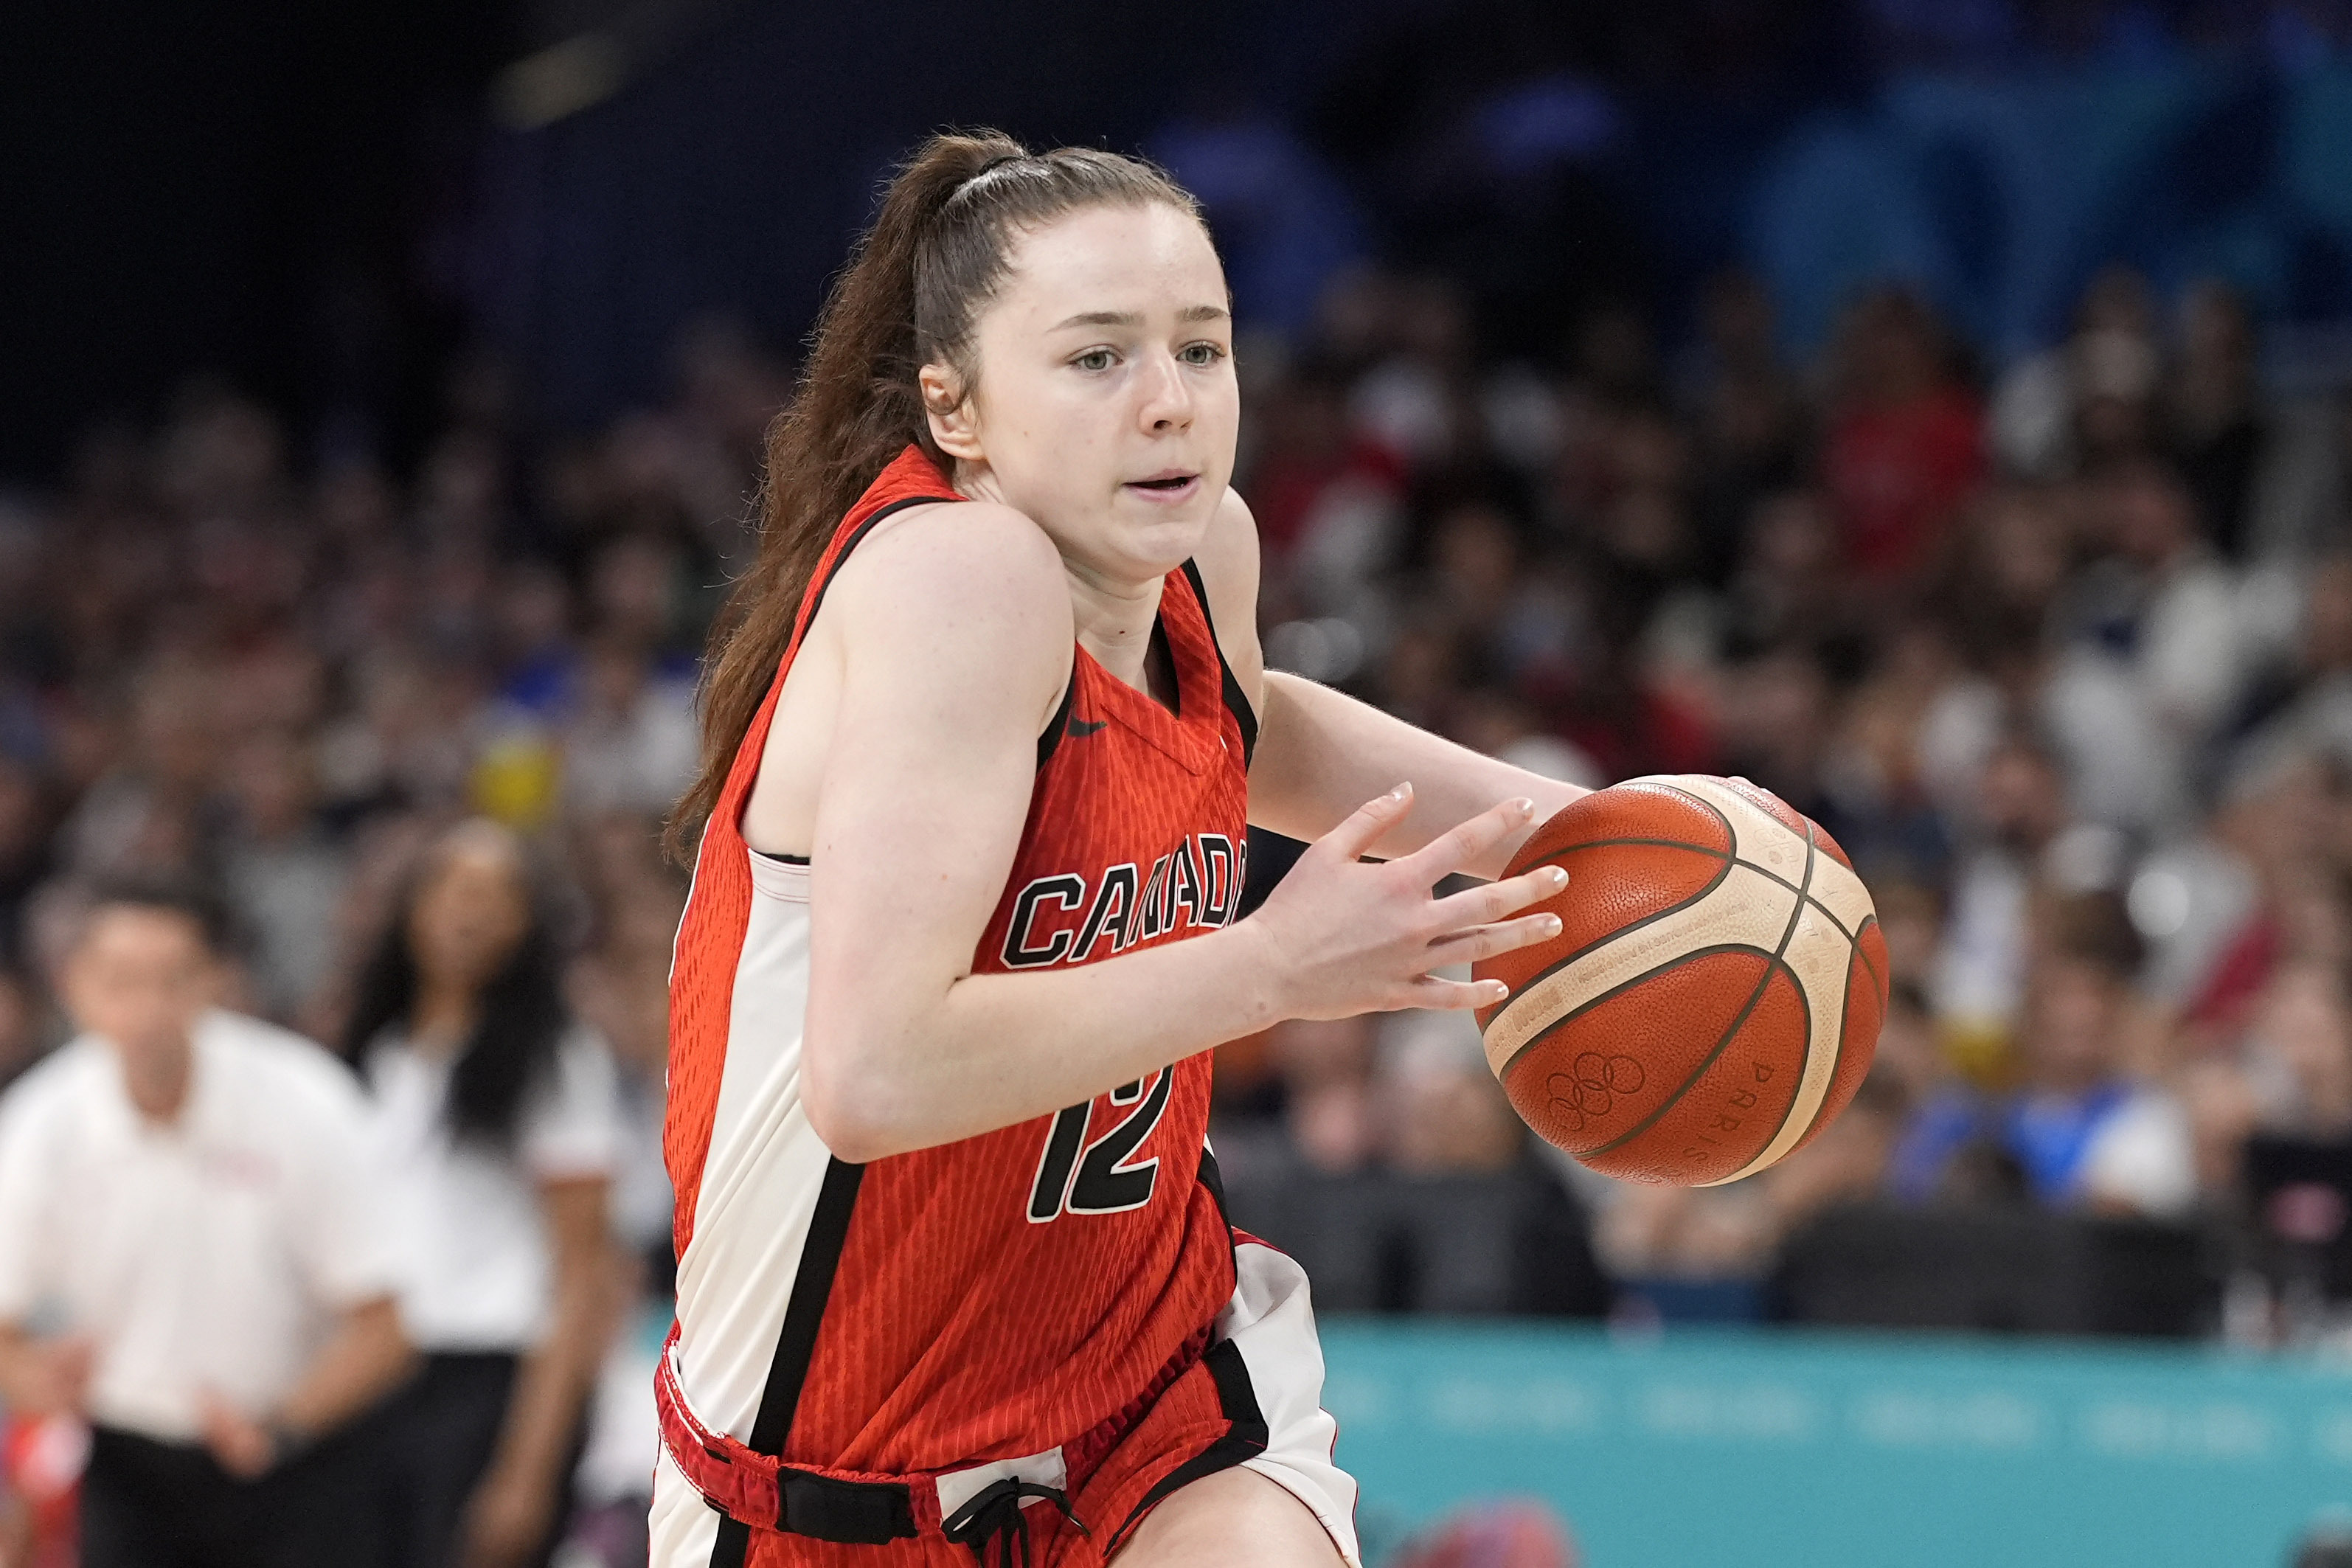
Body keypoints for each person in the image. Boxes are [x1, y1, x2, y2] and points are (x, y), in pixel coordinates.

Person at [653, 132, 1583, 1568]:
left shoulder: (1200, 548)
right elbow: (875, 1070)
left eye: (1200, 350)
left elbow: (1237, 724)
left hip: (1146, 1391)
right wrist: (1269, 965)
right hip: (833, 1483)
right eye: (1096, 359)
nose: (1169, 404)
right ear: (955, 408)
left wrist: (1571, 825)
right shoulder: (956, 580)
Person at [0, 878, 412, 1568]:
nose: (148, 1009)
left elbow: (385, 1328)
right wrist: (35, 1378)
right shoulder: (41, 1124)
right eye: (122, 981)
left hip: (294, 1454)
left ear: (215, 982)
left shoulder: (308, 1102)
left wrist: (279, 1431)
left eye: (173, 980)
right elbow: (9, 1336)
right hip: (123, 1459)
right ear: (75, 986)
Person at [341, 820, 622, 1568]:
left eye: (497, 892)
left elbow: (581, 1271)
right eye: (450, 885)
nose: (468, 908)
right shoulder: (378, 1048)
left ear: (529, 920)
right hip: (373, 1373)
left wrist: (526, 1468)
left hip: (489, 1380)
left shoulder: (557, 1056)